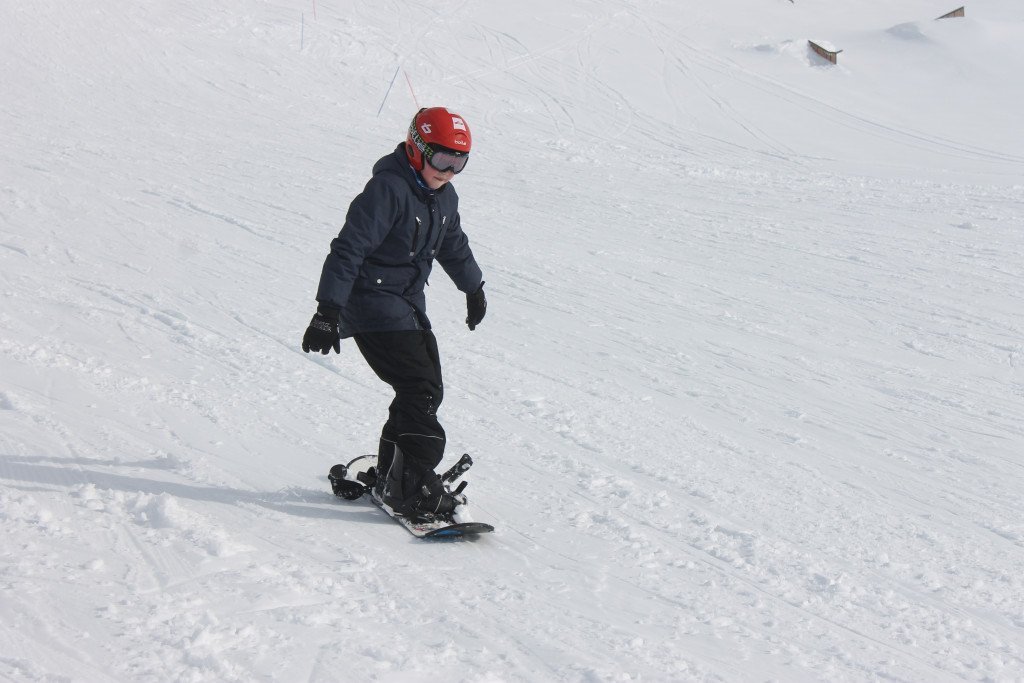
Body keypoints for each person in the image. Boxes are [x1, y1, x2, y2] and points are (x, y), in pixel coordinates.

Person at [302, 106, 487, 518]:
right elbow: (348, 248)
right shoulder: (387, 190)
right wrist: (327, 310)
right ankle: (411, 486)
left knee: (419, 388)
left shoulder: (444, 196)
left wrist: (473, 287)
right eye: (443, 159)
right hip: (370, 304)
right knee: (421, 390)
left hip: (406, 305)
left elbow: (453, 244)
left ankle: (394, 475)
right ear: (416, 148)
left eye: (459, 163)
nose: (449, 172)